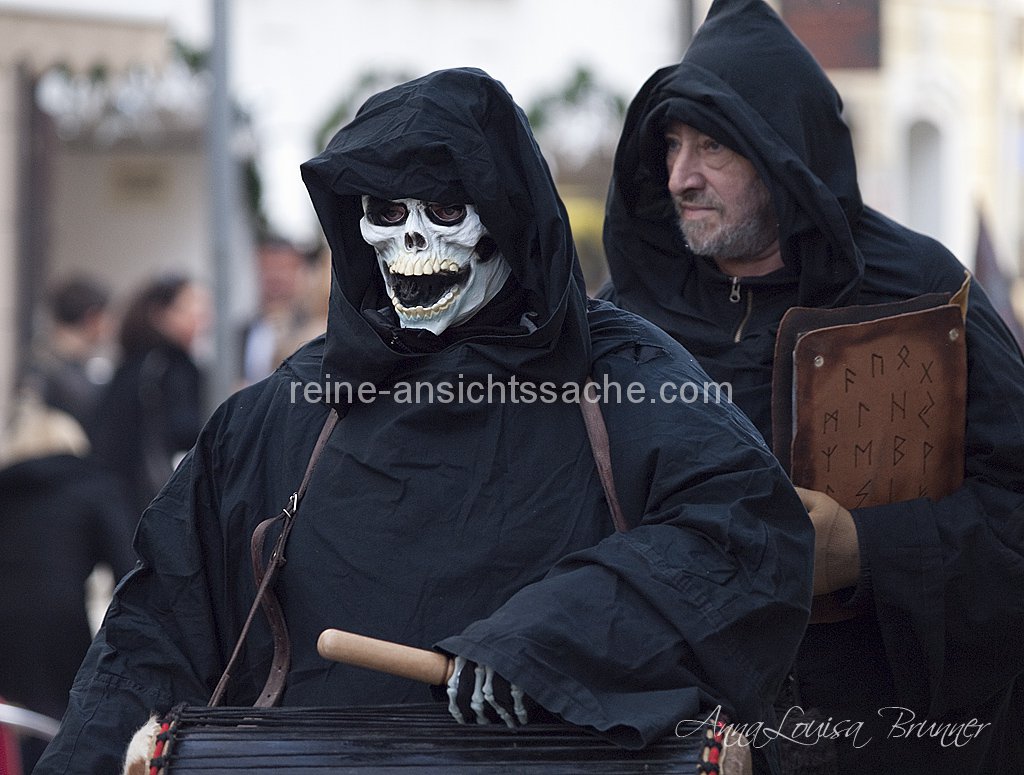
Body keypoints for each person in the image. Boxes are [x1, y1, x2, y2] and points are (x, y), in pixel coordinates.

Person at [35, 68, 812, 774]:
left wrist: (548, 636)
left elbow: (743, 536)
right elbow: (156, 626)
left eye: (443, 211)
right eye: (385, 212)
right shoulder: (291, 405)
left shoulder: (623, 376)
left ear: (505, 217)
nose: (411, 238)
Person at [599, 1, 1024, 772]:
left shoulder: (921, 290)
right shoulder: (627, 315)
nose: (681, 176)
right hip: (686, 736)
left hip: (886, 738)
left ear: (780, 150)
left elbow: (1013, 505)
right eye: (672, 145)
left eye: (711, 146)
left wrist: (866, 549)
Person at [0, 393, 135, 772]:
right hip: (59, 621)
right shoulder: (92, 487)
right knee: (60, 728)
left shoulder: (5, 489)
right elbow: (129, 568)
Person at [91, 274, 210, 516]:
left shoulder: (132, 364)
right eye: (188, 307)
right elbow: (186, 430)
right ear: (159, 315)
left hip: (122, 497)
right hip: (153, 495)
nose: (200, 318)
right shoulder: (170, 367)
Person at [24, 275, 114, 439]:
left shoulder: (52, 363)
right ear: (92, 318)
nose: (111, 325)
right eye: (107, 317)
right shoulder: (50, 370)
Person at [239, 235, 320, 386]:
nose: (275, 277)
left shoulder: (314, 330)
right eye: (268, 269)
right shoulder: (242, 332)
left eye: (283, 269)